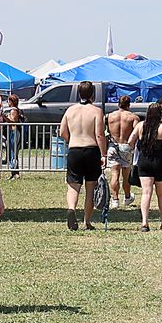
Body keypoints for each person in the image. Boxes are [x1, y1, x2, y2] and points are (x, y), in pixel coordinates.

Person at [59, 81, 106, 230]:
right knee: (90, 187)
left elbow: (62, 132)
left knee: (73, 186)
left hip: (74, 149)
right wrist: (103, 154)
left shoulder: (70, 111)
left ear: (79, 93)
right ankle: (87, 222)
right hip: (91, 150)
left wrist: (71, 140)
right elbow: (99, 135)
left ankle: (71, 208)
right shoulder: (96, 111)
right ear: (93, 94)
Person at [132, 100, 162, 231]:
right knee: (161, 194)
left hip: (144, 161)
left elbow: (130, 140)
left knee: (146, 193)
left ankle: (145, 223)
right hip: (160, 162)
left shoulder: (141, 125)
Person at [106, 94, 139, 211]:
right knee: (126, 175)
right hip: (126, 146)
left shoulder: (110, 116)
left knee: (114, 174)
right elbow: (136, 133)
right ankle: (127, 196)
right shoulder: (133, 117)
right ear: (129, 105)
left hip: (113, 145)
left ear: (118, 104)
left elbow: (105, 131)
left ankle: (115, 200)